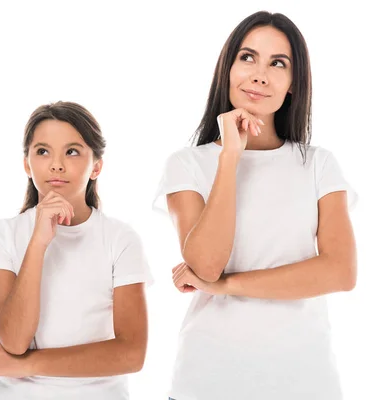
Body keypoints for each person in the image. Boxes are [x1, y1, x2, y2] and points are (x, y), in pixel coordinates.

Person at [153, 11, 358, 400]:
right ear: (227, 70)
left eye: (277, 63)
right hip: (208, 380)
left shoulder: (317, 164)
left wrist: (225, 285)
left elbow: (340, 271)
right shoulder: (188, 164)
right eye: (248, 58)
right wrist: (230, 156)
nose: (260, 74)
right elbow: (206, 264)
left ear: (293, 84)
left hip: (304, 382)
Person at [0, 101, 153, 399]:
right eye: (42, 151)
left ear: (96, 166)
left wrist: (26, 365)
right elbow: (14, 340)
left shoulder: (120, 238)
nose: (56, 164)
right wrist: (38, 243)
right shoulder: (1, 236)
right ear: (27, 164)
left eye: (72, 151)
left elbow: (131, 354)